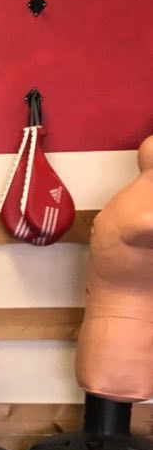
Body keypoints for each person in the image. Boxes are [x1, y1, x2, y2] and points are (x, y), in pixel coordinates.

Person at [76, 133, 153, 402]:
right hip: (123, 337)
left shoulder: (128, 198)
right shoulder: (142, 208)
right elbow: (143, 226)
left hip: (120, 327)